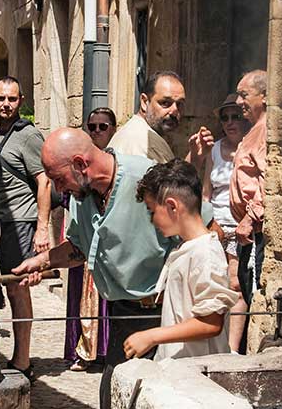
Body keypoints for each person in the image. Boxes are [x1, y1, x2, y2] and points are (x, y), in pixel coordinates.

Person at [14, 128, 214, 409]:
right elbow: (77, 249)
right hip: (122, 316)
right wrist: (41, 262)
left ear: (82, 165)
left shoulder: (147, 179)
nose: (56, 187)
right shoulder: (84, 198)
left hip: (163, 317)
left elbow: (202, 227)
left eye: (58, 178)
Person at [123, 160, 238, 361]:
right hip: (177, 371)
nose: (151, 220)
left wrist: (151, 336)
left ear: (171, 206)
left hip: (198, 377)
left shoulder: (205, 254)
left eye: (152, 211)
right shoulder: (187, 248)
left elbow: (210, 323)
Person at [0, 76, 51, 377]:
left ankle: (22, 360)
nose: (6, 104)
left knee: (19, 290)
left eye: (12, 99)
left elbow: (44, 181)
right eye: (1, 98)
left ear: (21, 101)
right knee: (13, 288)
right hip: (2, 222)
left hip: (22, 221)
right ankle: (19, 358)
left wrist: (42, 228)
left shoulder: (28, 136)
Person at [64, 107, 116, 371]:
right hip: (81, 238)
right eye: (92, 126)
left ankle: (104, 350)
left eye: (102, 126)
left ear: (113, 130)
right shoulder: (77, 165)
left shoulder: (114, 166)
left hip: (105, 243)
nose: (97, 131)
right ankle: (83, 350)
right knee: (82, 298)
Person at [201, 94, 249, 351]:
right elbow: (207, 191)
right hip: (216, 226)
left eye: (236, 117)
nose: (230, 123)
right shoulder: (215, 150)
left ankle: (231, 349)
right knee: (215, 284)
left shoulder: (252, 147)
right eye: (225, 118)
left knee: (237, 285)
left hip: (241, 227)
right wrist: (206, 222)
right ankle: (212, 343)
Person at [230, 70, 267, 312]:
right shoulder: (254, 130)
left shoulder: (264, 132)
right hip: (248, 233)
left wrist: (249, 218)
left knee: (255, 294)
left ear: (263, 96)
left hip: (255, 232)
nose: (238, 102)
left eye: (244, 95)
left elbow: (266, 178)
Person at [112, 71, 186, 162]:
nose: (174, 111)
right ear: (144, 102)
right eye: (165, 103)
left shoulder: (136, 131)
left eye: (179, 104)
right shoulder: (148, 143)